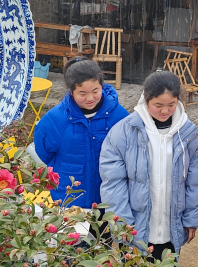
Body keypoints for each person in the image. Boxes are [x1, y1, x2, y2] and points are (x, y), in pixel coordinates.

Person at [99, 70, 198, 267]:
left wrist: (191, 218)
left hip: (171, 227)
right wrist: (122, 223)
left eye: (171, 104)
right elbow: (113, 182)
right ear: (146, 99)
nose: (165, 111)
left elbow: (194, 182)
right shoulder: (123, 132)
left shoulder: (189, 134)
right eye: (158, 105)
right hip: (134, 227)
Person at [33, 58, 128, 207]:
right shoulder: (56, 119)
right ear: (71, 91)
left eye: (95, 91)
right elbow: (43, 151)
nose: (90, 98)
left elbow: (128, 151)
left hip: (109, 199)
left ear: (102, 86)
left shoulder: (118, 116)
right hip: (71, 198)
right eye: (82, 93)